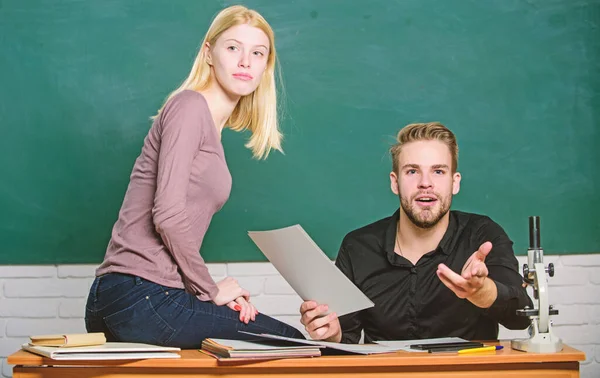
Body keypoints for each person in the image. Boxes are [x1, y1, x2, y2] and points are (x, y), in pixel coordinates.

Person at [85, 5, 303, 349]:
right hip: (138, 296)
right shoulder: (189, 107)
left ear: (265, 66)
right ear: (209, 53)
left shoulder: (209, 128)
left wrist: (213, 295)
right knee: (290, 341)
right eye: (233, 47)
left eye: (257, 53)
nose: (245, 61)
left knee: (268, 343)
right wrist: (211, 290)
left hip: (136, 297)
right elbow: (168, 217)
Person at [300, 122, 533, 343]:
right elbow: (346, 336)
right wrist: (330, 333)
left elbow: (521, 316)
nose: (425, 183)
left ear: (455, 182)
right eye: (412, 171)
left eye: (438, 172)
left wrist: (481, 292)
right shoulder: (358, 247)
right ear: (395, 182)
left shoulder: (483, 235)